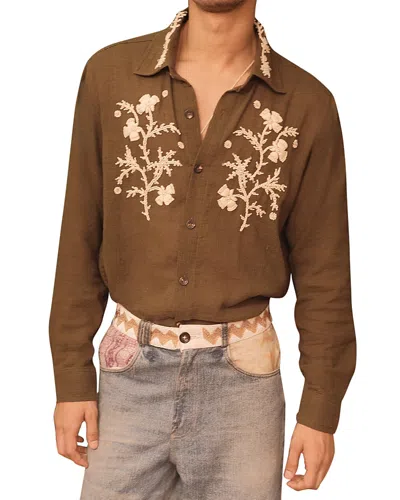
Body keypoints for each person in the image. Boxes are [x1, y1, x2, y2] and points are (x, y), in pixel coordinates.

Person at [49, 0, 357, 498]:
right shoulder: (110, 77)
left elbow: (325, 271)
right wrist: (71, 376)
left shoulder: (307, 104)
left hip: (245, 389)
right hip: (128, 377)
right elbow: (80, 232)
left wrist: (321, 410)